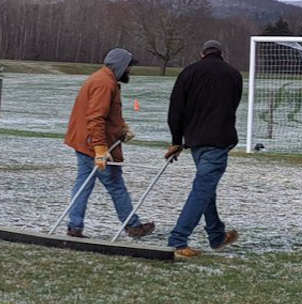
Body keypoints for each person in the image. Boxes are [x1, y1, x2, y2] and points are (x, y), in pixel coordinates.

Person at [63, 48, 154, 238]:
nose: (130, 70)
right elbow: (96, 118)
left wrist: (121, 128)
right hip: (93, 144)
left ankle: (75, 226)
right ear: (119, 65)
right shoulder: (104, 84)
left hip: (87, 142)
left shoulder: (105, 80)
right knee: (115, 183)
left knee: (84, 185)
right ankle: (132, 226)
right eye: (129, 66)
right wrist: (100, 148)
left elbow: (107, 115)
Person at [164, 40, 243, 257]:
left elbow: (175, 109)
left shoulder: (188, 73)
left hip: (196, 141)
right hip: (219, 141)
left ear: (202, 54)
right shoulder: (234, 74)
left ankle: (217, 236)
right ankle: (178, 240)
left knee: (206, 187)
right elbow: (233, 105)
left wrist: (176, 140)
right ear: (221, 54)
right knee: (202, 189)